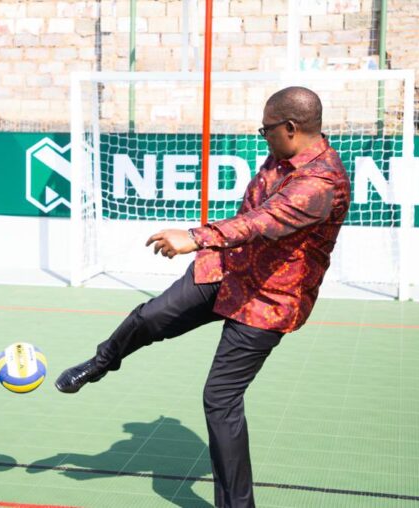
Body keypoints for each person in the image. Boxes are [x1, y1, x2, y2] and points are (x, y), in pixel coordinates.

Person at [54, 86, 351, 508]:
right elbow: (249, 217)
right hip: (228, 269)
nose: (262, 136)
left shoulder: (320, 183)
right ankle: (99, 364)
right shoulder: (283, 153)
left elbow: (262, 222)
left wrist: (194, 238)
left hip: (269, 298)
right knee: (149, 317)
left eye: (266, 129)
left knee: (220, 398)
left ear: (291, 127)